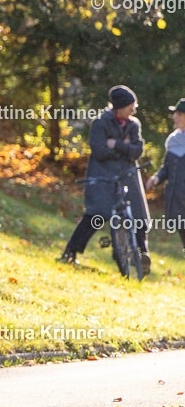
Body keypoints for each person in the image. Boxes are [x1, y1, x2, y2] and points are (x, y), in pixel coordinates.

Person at [58, 86, 150, 273]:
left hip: (127, 175)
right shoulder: (100, 123)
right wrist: (125, 147)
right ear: (119, 107)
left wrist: (115, 144)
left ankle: (141, 254)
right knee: (97, 213)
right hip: (102, 174)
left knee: (138, 214)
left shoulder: (134, 125)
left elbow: (138, 151)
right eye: (130, 106)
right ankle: (71, 251)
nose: (134, 110)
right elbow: (99, 151)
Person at [147, 98, 185, 253]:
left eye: (180, 114)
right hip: (177, 199)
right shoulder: (173, 140)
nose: (175, 117)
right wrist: (157, 177)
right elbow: (166, 167)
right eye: (175, 114)